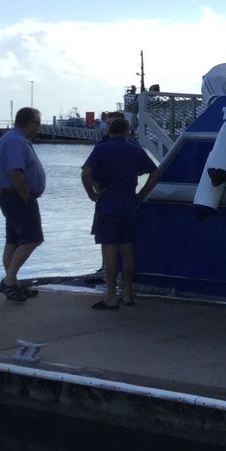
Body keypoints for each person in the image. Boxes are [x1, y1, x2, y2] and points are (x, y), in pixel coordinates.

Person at [81, 116, 162, 309]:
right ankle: (127, 293)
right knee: (127, 250)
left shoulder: (101, 149)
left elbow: (86, 173)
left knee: (109, 249)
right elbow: (155, 172)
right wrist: (142, 194)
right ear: (127, 132)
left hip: (107, 203)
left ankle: (110, 296)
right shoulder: (135, 150)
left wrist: (93, 195)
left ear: (109, 131)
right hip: (128, 204)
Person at [0, 107, 46, 302]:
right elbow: (15, 172)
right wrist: (26, 196)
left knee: (14, 240)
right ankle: (9, 281)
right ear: (30, 122)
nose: (39, 127)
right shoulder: (15, 141)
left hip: (12, 196)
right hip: (17, 196)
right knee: (32, 238)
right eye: (38, 123)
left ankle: (13, 283)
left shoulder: (15, 139)